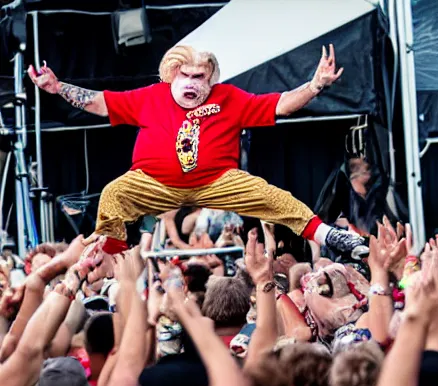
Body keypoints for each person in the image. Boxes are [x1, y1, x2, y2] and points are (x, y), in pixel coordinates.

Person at [28, 44, 368, 260]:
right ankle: (114, 254)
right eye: (185, 75)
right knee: (114, 193)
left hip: (217, 181)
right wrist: (57, 88)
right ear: (172, 76)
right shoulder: (151, 96)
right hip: (154, 183)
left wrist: (314, 86)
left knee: (272, 197)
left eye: (199, 77)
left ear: (211, 80)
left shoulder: (229, 98)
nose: (191, 83)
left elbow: (279, 105)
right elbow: (101, 103)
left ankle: (329, 235)